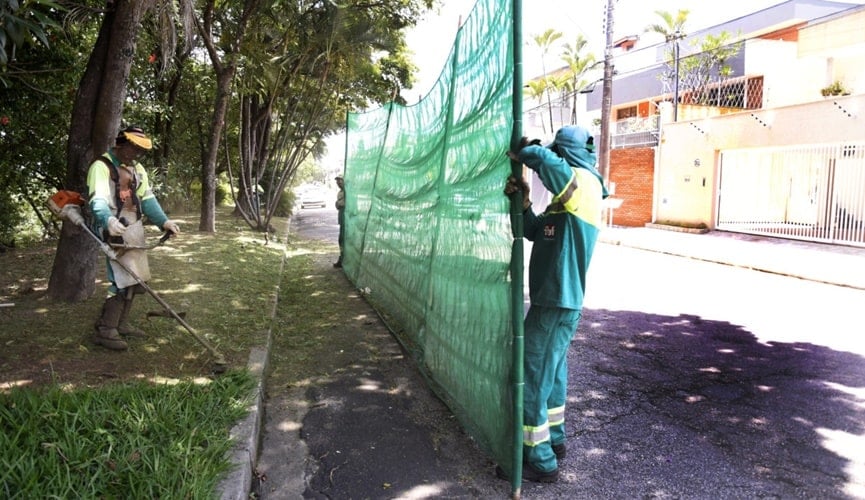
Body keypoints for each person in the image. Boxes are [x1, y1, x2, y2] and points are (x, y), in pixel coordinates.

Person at [500, 125, 608, 483]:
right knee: (553, 374)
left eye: (559, 153)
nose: (556, 160)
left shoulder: (584, 184)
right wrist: (525, 203)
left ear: (566, 154)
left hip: (556, 300)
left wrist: (527, 150)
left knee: (529, 376)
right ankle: (555, 439)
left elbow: (547, 163)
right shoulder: (568, 201)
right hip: (557, 300)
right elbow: (536, 232)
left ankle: (540, 460)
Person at [87, 126, 180, 351]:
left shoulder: (137, 169)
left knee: (136, 279)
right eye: (133, 149)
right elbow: (97, 199)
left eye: (140, 151)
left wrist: (164, 222)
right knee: (120, 278)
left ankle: (121, 323)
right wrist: (107, 220)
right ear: (121, 144)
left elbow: (147, 199)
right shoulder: (101, 166)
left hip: (134, 226)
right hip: (113, 227)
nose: (137, 154)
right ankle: (106, 329)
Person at [333, 175, 346, 268]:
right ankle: (342, 259)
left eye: (340, 181)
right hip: (342, 218)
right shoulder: (340, 193)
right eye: (337, 182)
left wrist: (339, 204)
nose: (339, 183)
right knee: (341, 240)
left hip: (347, 219)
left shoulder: (348, 192)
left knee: (344, 240)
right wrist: (337, 204)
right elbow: (338, 205)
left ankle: (343, 259)